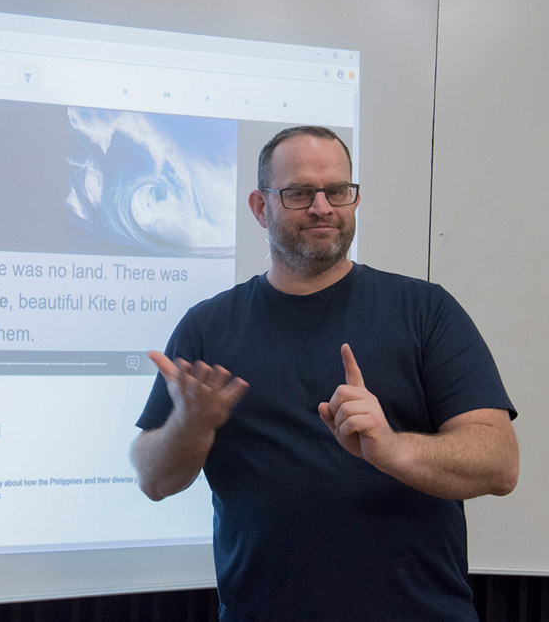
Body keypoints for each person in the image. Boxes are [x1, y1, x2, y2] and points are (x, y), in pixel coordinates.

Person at [130, 126, 519, 621]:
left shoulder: (426, 311)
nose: (322, 207)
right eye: (298, 193)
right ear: (259, 206)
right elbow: (153, 479)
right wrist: (189, 425)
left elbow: (500, 463)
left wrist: (394, 448)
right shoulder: (209, 327)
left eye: (338, 191)